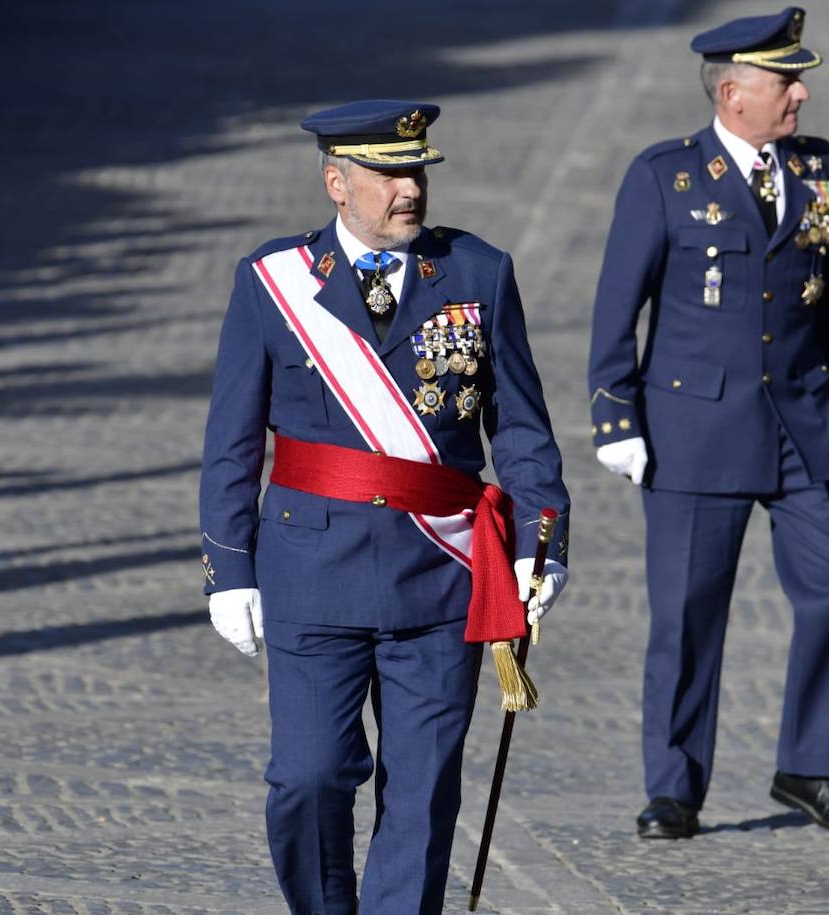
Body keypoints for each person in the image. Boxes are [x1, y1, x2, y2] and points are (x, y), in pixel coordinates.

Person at [199, 99, 570, 914]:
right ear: (336, 182)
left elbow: (522, 427)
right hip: (311, 568)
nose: (410, 189)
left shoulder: (478, 273)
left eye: (418, 171)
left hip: (438, 573)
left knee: (424, 792)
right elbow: (232, 438)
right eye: (389, 174)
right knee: (307, 776)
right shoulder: (275, 281)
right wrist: (228, 569)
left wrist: (544, 542)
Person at [587, 7, 829, 840]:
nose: (801, 94)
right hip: (696, 428)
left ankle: (810, 766)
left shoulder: (823, 171)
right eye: (786, 81)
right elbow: (616, 309)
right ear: (733, 91)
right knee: (686, 611)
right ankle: (674, 785)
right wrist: (616, 417)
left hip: (803, 424)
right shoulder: (665, 177)